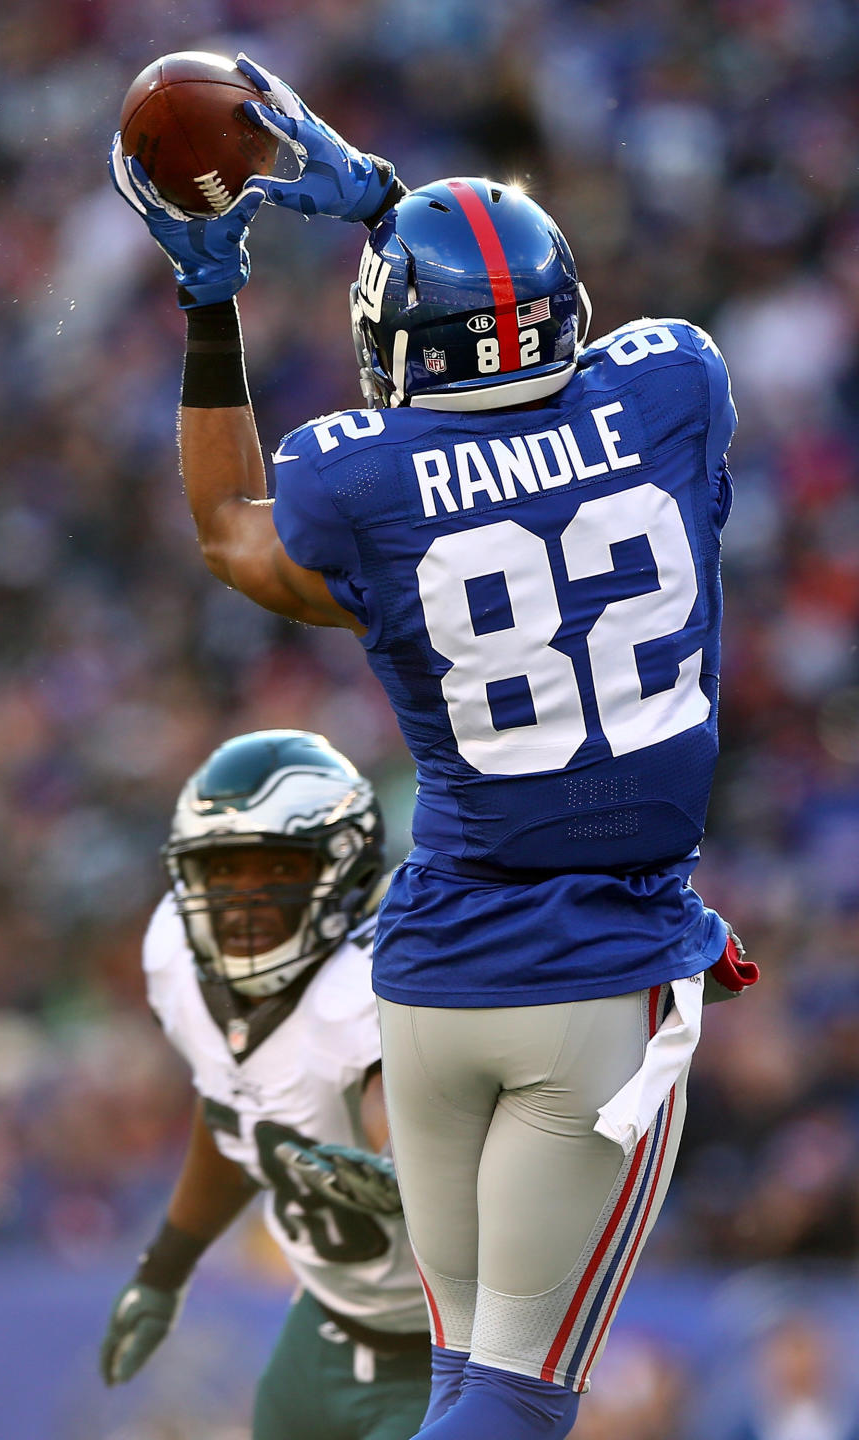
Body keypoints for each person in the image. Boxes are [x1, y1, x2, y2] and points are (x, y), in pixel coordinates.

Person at [108, 58, 758, 1440]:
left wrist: (213, 295)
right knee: (512, 1408)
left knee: (462, 1390)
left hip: (435, 972)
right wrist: (393, 207)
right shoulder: (678, 386)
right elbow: (535, 360)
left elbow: (232, 529)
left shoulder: (355, 480)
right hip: (593, 975)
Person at [99, 729, 432, 1440]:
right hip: (320, 1330)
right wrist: (165, 1269)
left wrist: (418, 1172)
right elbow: (239, 1113)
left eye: (276, 867)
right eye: (221, 871)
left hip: (450, 1358)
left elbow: (395, 1108)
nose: (243, 901)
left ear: (343, 869)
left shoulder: (384, 977)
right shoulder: (178, 958)